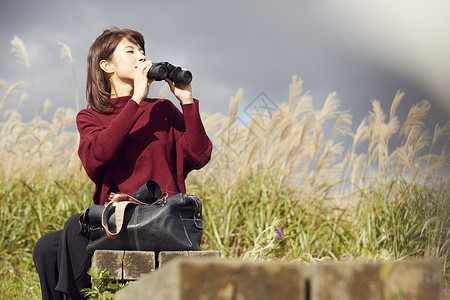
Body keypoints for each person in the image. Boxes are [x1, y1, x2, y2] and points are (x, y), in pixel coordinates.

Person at [33, 27, 212, 300]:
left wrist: (187, 101)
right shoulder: (91, 117)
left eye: (142, 51)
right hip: (115, 222)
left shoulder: (162, 111)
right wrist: (136, 99)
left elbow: (199, 155)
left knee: (72, 227)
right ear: (106, 66)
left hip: (161, 218)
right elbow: (98, 156)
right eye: (131, 51)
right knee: (47, 247)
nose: (141, 57)